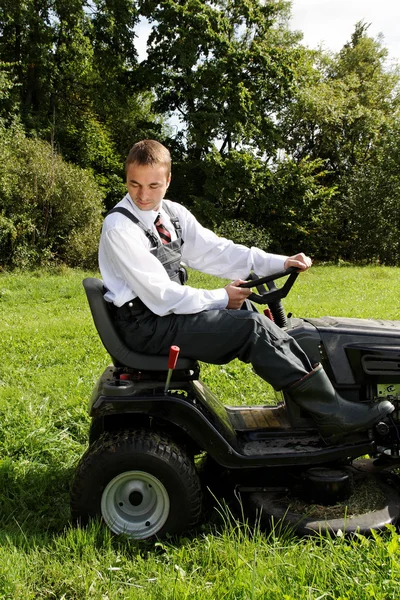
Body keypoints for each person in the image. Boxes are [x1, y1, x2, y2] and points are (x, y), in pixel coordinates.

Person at [99, 139, 393, 443]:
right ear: (127, 179)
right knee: (250, 327)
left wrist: (279, 262)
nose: (143, 195)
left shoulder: (172, 215)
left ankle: (315, 406)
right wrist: (222, 297)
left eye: (153, 186)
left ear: (168, 180)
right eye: (135, 185)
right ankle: (332, 413)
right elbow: (161, 296)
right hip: (145, 324)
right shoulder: (121, 228)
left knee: (247, 311)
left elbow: (218, 251)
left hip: (162, 314)